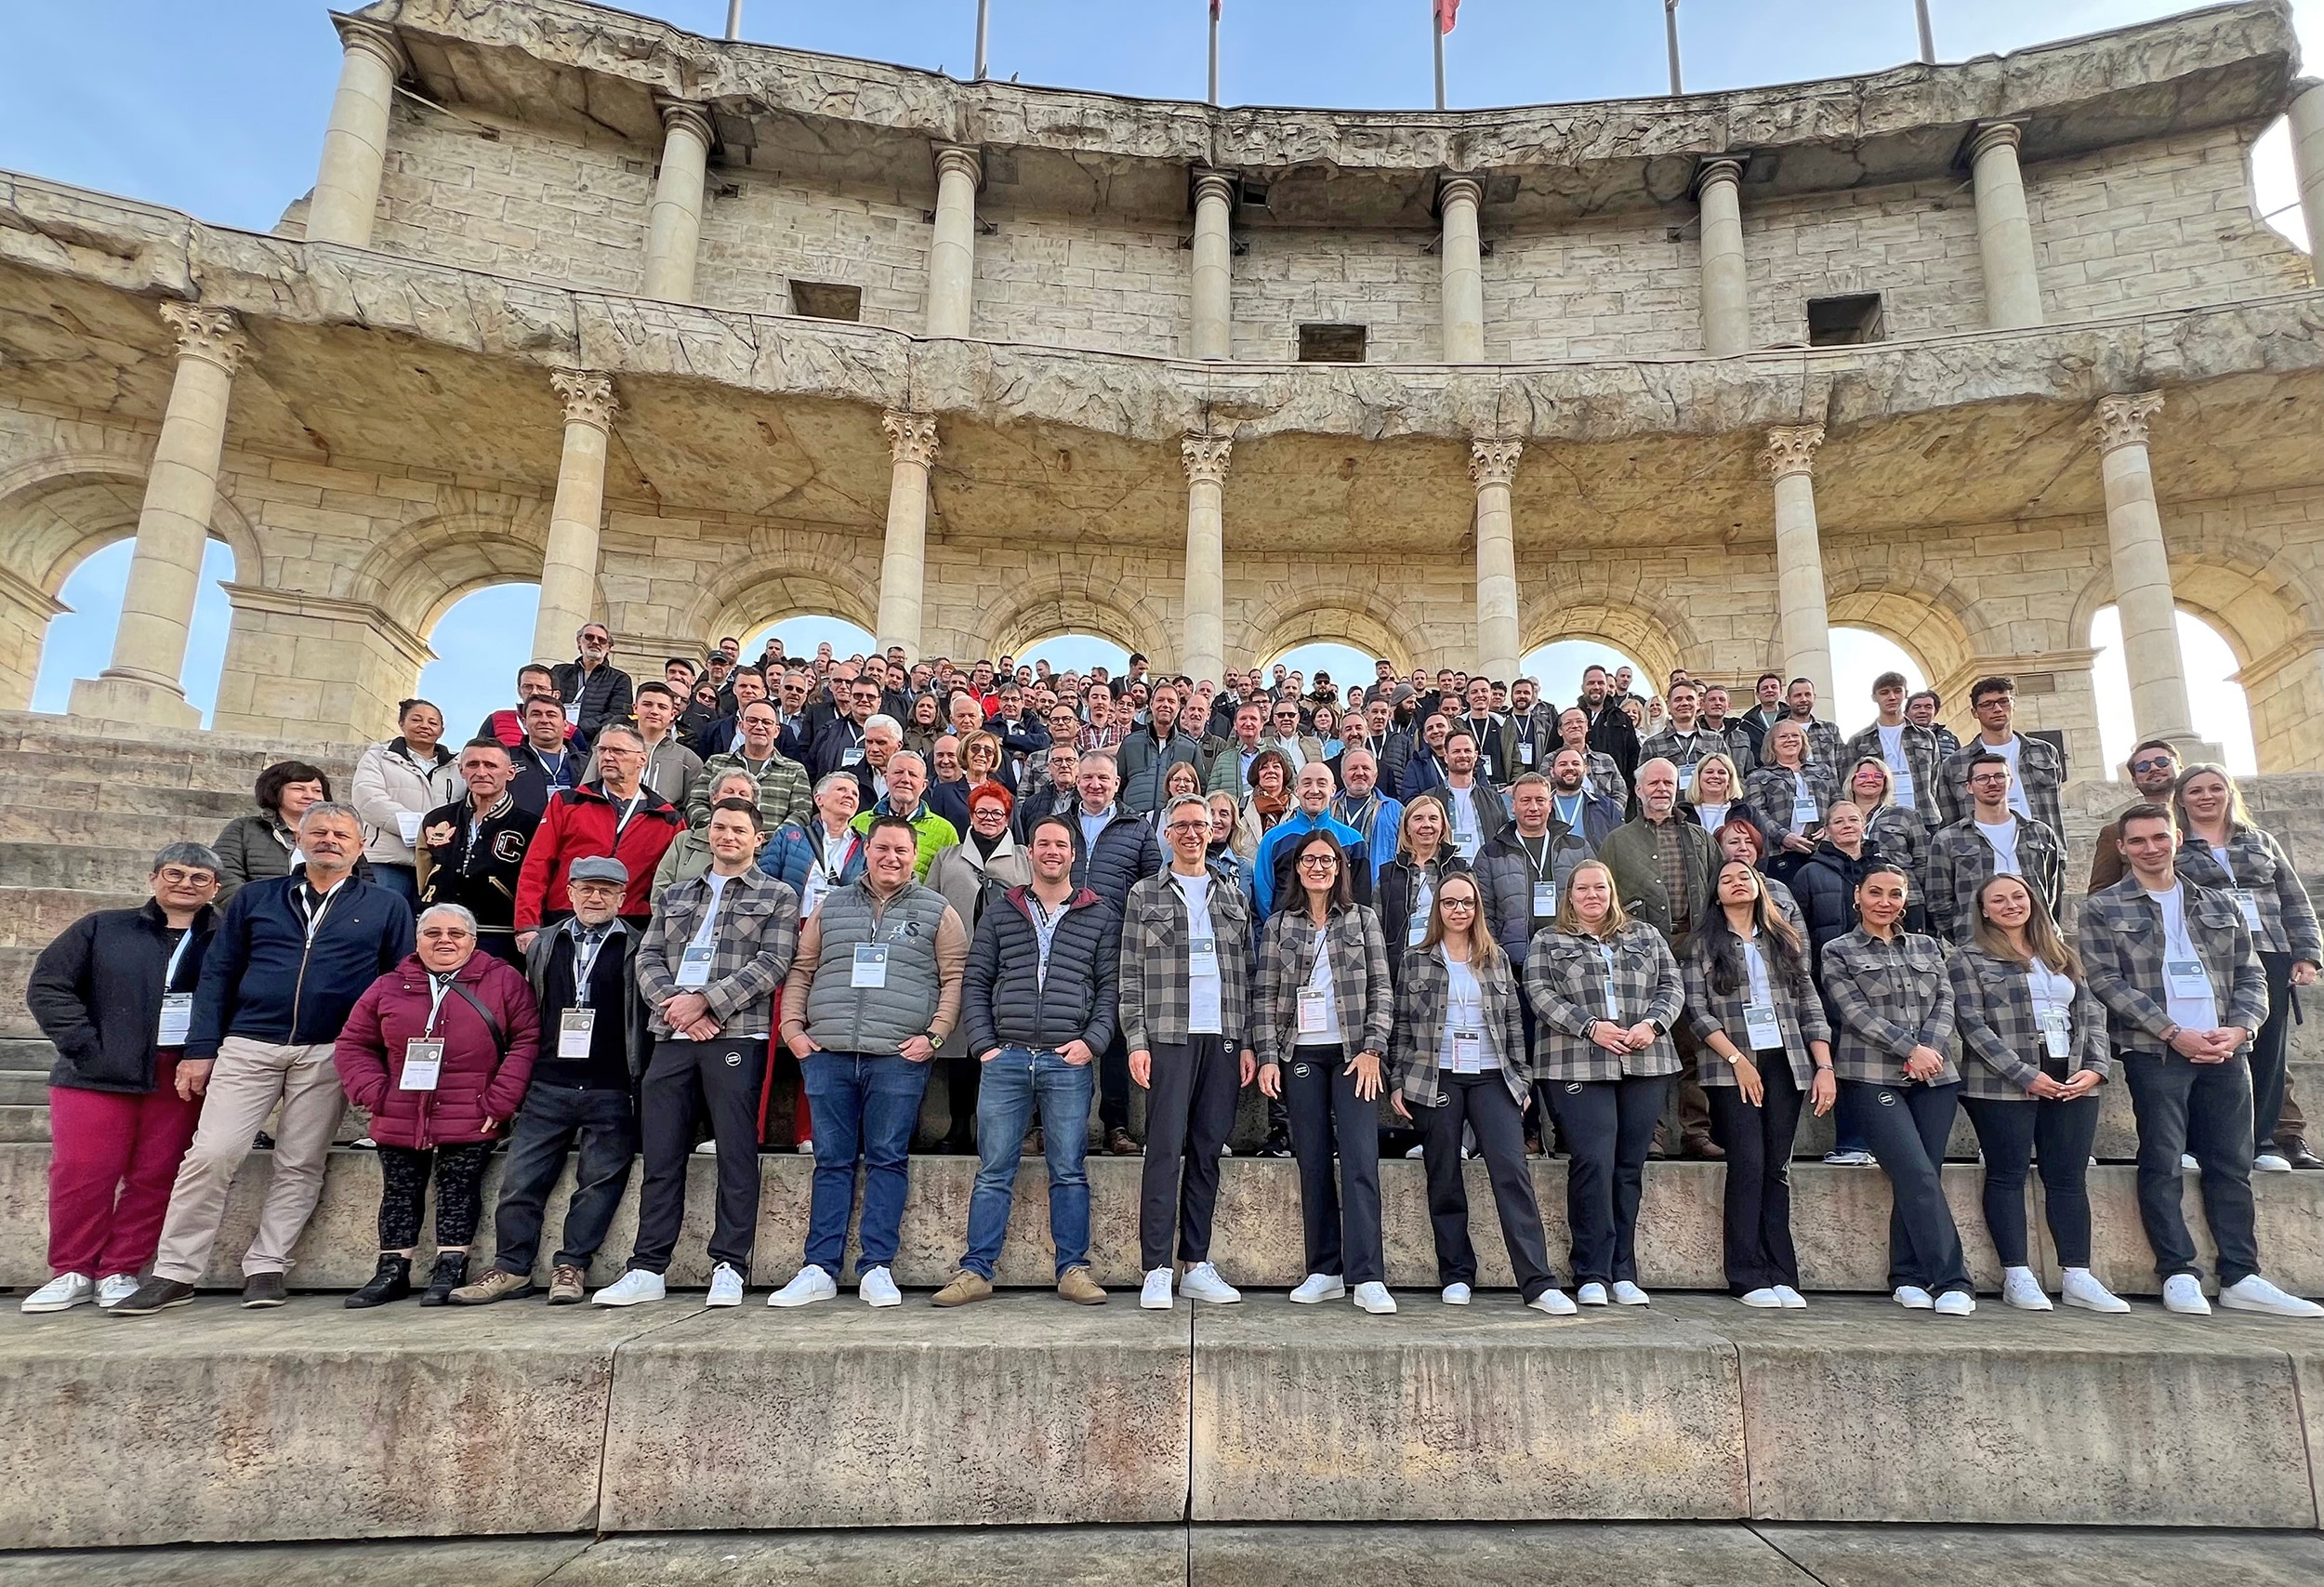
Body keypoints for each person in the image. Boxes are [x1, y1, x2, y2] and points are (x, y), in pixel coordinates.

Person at [112, 804, 415, 1316]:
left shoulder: (386, 906)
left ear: (360, 845)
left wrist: (376, 1054)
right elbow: (218, 976)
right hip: (248, 1043)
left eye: (342, 834)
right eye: (318, 831)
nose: (329, 840)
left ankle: (268, 1264)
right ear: (299, 837)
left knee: (300, 1161)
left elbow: (395, 982)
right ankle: (174, 1272)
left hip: (328, 1050)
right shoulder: (256, 898)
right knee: (211, 1154)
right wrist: (200, 1049)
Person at [2080, 804, 2319, 1316]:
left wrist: (2241, 1028)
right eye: (2138, 841)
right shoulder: (2103, 907)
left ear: (2177, 840)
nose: (2151, 848)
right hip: (2157, 1051)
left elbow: (2252, 975)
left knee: (2231, 1165)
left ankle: (2241, 1274)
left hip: (2226, 1048)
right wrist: (2172, 1033)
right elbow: (2104, 981)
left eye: (2159, 838)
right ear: (2122, 848)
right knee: (2163, 1161)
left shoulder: (2219, 904)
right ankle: (2177, 1271)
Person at [596, 800, 801, 1308]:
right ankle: (647, 1266)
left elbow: (774, 963)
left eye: (739, 830)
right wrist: (676, 1007)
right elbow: (646, 957)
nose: (727, 836)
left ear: (759, 839)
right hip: (672, 1034)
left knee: (736, 1153)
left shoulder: (777, 895)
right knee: (663, 1154)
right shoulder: (676, 894)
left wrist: (706, 1002)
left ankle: (729, 1264)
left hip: (737, 1034)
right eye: (719, 828)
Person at [770, 816, 968, 1308]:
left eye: (902, 850)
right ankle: (818, 1267)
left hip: (897, 1057)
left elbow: (955, 978)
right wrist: (792, 1030)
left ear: (913, 854)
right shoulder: (832, 904)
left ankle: (877, 1265)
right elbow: (802, 968)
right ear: (868, 850)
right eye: (883, 849)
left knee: (887, 1159)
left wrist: (935, 1036)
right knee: (831, 1161)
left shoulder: (937, 910)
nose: (892, 858)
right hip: (829, 1053)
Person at [21, 843, 221, 1313]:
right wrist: (86, 1047)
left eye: (198, 877)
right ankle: (72, 1269)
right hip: (97, 1071)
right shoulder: (103, 927)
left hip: (181, 1072)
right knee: (82, 1172)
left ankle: (120, 1268)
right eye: (175, 873)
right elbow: (49, 986)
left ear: (214, 888)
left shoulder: (226, 937)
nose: (185, 884)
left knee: (156, 1174)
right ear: (154, 878)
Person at [933, 815, 1118, 1307]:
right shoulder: (1002, 910)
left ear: (1073, 854)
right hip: (1007, 1058)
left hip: (1067, 1060)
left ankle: (1073, 1269)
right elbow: (975, 981)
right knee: (993, 1169)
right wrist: (984, 1046)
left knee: (1069, 1169)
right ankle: (976, 1269)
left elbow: (1109, 989)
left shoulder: (1098, 914)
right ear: (1029, 852)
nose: (1051, 851)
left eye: (1061, 844)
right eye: (1043, 843)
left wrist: (1093, 1042)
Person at [451, 858, 645, 1305]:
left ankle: (571, 1266)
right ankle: (510, 1268)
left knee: (597, 1184)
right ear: (570, 892)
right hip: (548, 1083)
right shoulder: (543, 945)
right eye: (587, 889)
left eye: (606, 891)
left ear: (622, 898)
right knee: (521, 1181)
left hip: (610, 1085)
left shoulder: (637, 947)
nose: (595, 898)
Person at [335, 903, 540, 1306]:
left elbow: (527, 1040)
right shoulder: (390, 984)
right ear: (418, 940)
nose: (444, 940)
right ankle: (391, 1271)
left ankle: (451, 1266)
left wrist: (499, 1102)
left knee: (459, 1190)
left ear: (472, 941)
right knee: (398, 1192)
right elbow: (354, 1043)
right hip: (401, 1110)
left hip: (472, 1109)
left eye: (455, 934)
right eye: (433, 933)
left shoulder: (502, 980)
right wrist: (375, 1093)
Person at [1385, 871, 1571, 1312]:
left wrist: (1522, 1081)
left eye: (1466, 902)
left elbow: (1512, 1024)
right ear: (1438, 909)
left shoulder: (1496, 958)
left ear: (1477, 908)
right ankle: (1456, 1274)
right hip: (1437, 1076)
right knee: (1444, 1174)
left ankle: (1538, 1282)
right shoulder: (1416, 959)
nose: (1459, 910)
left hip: (1493, 1075)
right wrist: (1397, 1081)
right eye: (1450, 903)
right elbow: (1402, 1028)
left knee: (1512, 1173)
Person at [1950, 874, 2126, 1314]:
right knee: (2007, 1174)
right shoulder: (1968, 958)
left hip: (2071, 1077)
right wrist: (2023, 1073)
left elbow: (2092, 1015)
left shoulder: (2061, 954)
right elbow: (1971, 1025)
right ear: (1984, 910)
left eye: (2018, 896)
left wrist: (2095, 1069)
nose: (2011, 905)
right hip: (2001, 1083)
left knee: (2067, 1178)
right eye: (1999, 900)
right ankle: (2017, 1274)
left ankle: (2078, 1275)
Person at [1121, 793, 1257, 1310]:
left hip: (1221, 1037)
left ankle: (1196, 1263)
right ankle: (1156, 1267)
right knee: (1163, 1151)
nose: (1193, 833)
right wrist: (1136, 1039)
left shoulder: (1231, 895)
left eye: (1201, 825)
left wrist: (1243, 1041)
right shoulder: (1143, 894)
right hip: (1168, 1036)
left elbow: (1244, 973)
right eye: (1182, 825)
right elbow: (1129, 973)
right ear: (1167, 833)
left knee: (1206, 1152)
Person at [1525, 859, 1683, 1304]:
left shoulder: (1645, 936)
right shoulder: (1549, 940)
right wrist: (1589, 1026)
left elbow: (1672, 986)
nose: (1592, 896)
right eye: (1582, 890)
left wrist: (1652, 1025)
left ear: (1612, 892)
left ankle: (1623, 1270)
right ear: (1569, 896)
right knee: (1593, 1161)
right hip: (1575, 1064)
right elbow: (1538, 993)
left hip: (1643, 1062)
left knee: (1628, 1167)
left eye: (1600, 888)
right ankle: (1591, 1271)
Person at [1821, 863, 1974, 1315]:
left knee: (1923, 1174)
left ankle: (1907, 1275)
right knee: (1916, 1173)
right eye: (1876, 892)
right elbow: (1853, 1012)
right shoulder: (1838, 950)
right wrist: (1909, 1047)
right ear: (1858, 896)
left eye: (1894, 893)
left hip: (1935, 1076)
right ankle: (1953, 1280)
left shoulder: (1928, 946)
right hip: (1872, 1075)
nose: (1885, 902)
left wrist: (1929, 1047)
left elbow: (1946, 999)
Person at [1255, 829, 1396, 1315]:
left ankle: (1367, 1275)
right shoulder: (1278, 925)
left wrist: (1374, 1049)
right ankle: (1324, 1269)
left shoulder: (1363, 920)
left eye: (1327, 860)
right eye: (1309, 860)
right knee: (1311, 1160)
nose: (1318, 867)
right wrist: (1268, 1055)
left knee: (1360, 1161)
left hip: (1354, 1054)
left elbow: (1382, 988)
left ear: (1340, 868)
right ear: (1296, 868)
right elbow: (1265, 996)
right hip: (1300, 1054)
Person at [1684, 859, 1833, 1307]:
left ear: (1759, 886)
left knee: (1776, 1167)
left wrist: (1824, 1067)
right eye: (1726, 879)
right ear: (1716, 893)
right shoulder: (1702, 945)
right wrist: (1736, 1059)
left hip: (1786, 1062)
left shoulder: (1784, 939)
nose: (1736, 882)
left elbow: (1809, 1002)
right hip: (1731, 1067)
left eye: (1744, 876)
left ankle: (1781, 1272)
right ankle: (1746, 1274)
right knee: (1748, 1162)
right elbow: (1696, 1010)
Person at [2174, 763, 2322, 1171]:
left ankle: (2262, 1143)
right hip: (2208, 956)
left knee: (2269, 1048)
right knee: (2213, 1044)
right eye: (2196, 790)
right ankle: (2202, 1141)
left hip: (2269, 949)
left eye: (2215, 788)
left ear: (2229, 793)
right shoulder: (2174, 846)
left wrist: (2307, 953)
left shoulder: (2261, 841)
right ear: (2181, 799)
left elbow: (2294, 898)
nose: (2206, 796)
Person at [1065, 749, 1162, 1157]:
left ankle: (1116, 1126)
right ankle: (1057, 1126)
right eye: (1087, 778)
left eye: (1103, 778)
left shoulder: (1137, 829)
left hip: (1119, 942)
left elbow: (1155, 886)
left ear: (1116, 783)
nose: (1095, 785)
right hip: (1066, 941)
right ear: (1077, 781)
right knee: (1063, 1026)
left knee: (1117, 1035)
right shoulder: (1059, 824)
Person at [925, 783, 1030, 1154]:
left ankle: (995, 1131)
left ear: (1008, 817)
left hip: (1008, 967)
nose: (988, 819)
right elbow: (930, 907)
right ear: (971, 815)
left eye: (996, 813)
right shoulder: (947, 857)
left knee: (998, 1049)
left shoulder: (1023, 859)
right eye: (982, 812)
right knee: (959, 1051)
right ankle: (958, 1127)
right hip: (958, 962)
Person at [513, 724, 686, 941]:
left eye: (618, 751)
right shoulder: (568, 802)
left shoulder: (667, 818)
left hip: (630, 925)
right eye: (603, 750)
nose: (607, 757)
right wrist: (527, 925)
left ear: (642, 759)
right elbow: (537, 864)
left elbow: (671, 883)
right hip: (563, 918)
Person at [416, 738, 539, 963]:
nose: (481, 772)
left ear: (510, 773)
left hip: (499, 931)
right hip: (442, 931)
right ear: (461, 770)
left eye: (491, 765)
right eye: (473, 764)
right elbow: (424, 871)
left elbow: (534, 879)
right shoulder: (437, 818)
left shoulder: (530, 825)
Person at [1925, 753, 2065, 944]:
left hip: (2038, 938)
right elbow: (1938, 902)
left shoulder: (2040, 833)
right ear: (1969, 787)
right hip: (1979, 942)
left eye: (1999, 776)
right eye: (1982, 778)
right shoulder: (1947, 839)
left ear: (2011, 782)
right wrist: (1966, 935)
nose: (1992, 783)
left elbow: (2051, 892)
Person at [350, 698, 464, 905]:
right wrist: (421, 828)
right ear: (401, 723)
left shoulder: (457, 766)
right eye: (417, 719)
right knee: (383, 917)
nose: (425, 726)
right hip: (388, 859)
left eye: (432, 722)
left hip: (438, 862)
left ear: (441, 730)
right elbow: (369, 798)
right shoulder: (378, 756)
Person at [1597, 759, 1716, 947]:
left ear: (1676, 788)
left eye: (1668, 783)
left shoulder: (1702, 837)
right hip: (1638, 945)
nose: (1662, 788)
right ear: (1638, 790)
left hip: (1697, 942)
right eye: (1653, 783)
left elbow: (1718, 887)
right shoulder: (1616, 841)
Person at [1936, 674, 2065, 838]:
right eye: (1987, 705)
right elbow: (1950, 820)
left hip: (2041, 846)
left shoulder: (2044, 751)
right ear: (1974, 712)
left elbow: (2055, 806)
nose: (1997, 709)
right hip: (1982, 851)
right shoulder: (1954, 764)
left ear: (2013, 705)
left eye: (2004, 702)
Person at [1252, 761, 1371, 919]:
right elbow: (1263, 894)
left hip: (1339, 935)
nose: (1314, 790)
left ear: (1333, 790)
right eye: (1307, 783)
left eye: (1321, 783)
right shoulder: (1273, 839)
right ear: (1297, 790)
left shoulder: (1353, 839)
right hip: (1286, 935)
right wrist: (1276, 928)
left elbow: (1361, 896)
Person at [212, 761, 334, 903]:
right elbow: (224, 875)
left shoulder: (339, 835)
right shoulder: (244, 828)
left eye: (317, 791)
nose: (309, 796)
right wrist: (257, 911)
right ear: (275, 792)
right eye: (298, 789)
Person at [692, 700, 812, 833]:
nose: (759, 726)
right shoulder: (716, 763)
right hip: (718, 846)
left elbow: (801, 814)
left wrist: (772, 842)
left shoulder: (795, 771)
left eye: (767, 722)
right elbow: (696, 803)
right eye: (752, 720)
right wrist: (719, 830)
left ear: (777, 731)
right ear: (741, 726)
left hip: (771, 850)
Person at [761, 771, 865, 919]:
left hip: (840, 932)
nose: (849, 795)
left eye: (855, 794)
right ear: (819, 799)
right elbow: (765, 883)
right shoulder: (788, 837)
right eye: (841, 789)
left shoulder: (866, 845)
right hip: (790, 928)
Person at [1844, 671, 1942, 824]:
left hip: (1924, 817)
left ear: (1906, 694)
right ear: (1874, 697)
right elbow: (1850, 783)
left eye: (1897, 691)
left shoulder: (1926, 737)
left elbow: (1934, 780)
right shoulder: (1859, 740)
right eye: (1884, 693)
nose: (1892, 697)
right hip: (1879, 819)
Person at [1377, 793, 1464, 961]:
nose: (1427, 825)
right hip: (1402, 965)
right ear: (1407, 828)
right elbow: (1376, 931)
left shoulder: (1460, 870)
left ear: (1443, 826)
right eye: (1418, 818)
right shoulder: (1388, 874)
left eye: (1433, 818)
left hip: (1451, 959)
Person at [850, 750, 958, 879]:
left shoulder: (945, 831)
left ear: (924, 785)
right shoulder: (858, 823)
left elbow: (950, 880)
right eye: (898, 772)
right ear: (886, 779)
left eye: (913, 774)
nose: (905, 779)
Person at [600, 681, 704, 813]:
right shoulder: (609, 747)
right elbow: (586, 793)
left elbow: (693, 807)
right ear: (635, 708)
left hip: (662, 827)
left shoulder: (688, 760)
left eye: (662, 707)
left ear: (672, 714)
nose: (654, 711)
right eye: (647, 704)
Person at [1744, 721, 1836, 867]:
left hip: (1821, 850)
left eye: (1795, 736)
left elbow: (1837, 804)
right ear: (1771, 744)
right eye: (1783, 736)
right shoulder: (1758, 777)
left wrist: (1830, 827)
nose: (1790, 740)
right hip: (1779, 853)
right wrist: (1783, 836)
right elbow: (1756, 812)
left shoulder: (1823, 770)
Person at [1845, 758, 1930, 901]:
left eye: (1878, 776)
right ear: (1851, 782)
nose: (1870, 780)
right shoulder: (1841, 819)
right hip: (1857, 898)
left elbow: (1923, 861)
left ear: (1885, 783)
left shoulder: (1905, 815)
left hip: (1906, 898)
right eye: (1863, 776)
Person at [552, 622, 635, 744]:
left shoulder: (620, 679)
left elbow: (618, 716)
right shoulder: (559, 671)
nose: (595, 642)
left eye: (601, 640)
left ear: (608, 648)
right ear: (579, 642)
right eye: (589, 637)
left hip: (591, 743)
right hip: (554, 737)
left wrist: (577, 729)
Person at [1433, 729, 1507, 863]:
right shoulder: (1431, 800)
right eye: (1456, 751)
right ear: (1446, 757)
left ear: (1476, 755)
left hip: (1485, 874)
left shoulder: (1493, 799)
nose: (1462, 755)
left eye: (1467, 750)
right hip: (1445, 874)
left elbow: (1504, 840)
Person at [508, 694, 586, 814]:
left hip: (575, 830)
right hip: (526, 831)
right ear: (524, 722)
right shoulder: (507, 759)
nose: (544, 720)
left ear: (566, 724)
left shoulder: (587, 763)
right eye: (536, 714)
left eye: (551, 715)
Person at [1680, 751, 1764, 853]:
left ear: (1730, 779)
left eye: (1722, 772)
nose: (1715, 776)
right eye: (1709, 772)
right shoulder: (1682, 813)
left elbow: (1761, 849)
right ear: (1698, 777)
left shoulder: (1747, 812)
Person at [1546, 746, 1626, 852]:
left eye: (1575, 764)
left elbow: (1620, 846)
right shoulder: (1541, 808)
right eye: (1563, 764)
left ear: (1585, 770)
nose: (1570, 768)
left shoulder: (1607, 807)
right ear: (1552, 772)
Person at [478, 662, 563, 748]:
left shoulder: (569, 729)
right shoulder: (497, 719)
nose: (534, 692)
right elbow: (478, 753)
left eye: (541, 688)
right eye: (527, 687)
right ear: (519, 691)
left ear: (555, 695)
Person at [1231, 747, 1295, 860]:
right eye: (1264, 768)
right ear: (1257, 774)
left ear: (1284, 773)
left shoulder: (1298, 809)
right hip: (1248, 874)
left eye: (1276, 766)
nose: (1271, 771)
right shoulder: (1240, 806)